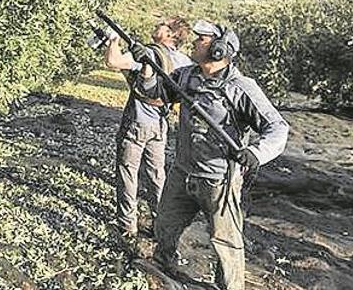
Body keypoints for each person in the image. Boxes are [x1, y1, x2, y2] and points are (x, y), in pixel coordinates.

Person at [132, 20, 289, 290]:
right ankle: (162, 267)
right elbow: (152, 93)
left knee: (225, 242)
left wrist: (255, 152)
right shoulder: (187, 76)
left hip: (218, 180)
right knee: (165, 226)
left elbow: (277, 128)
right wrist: (147, 67)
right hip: (183, 172)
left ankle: (230, 286)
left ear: (219, 50)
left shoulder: (241, 88)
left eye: (201, 40)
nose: (194, 43)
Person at [104, 17, 193, 238]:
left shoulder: (150, 53)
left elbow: (113, 62)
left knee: (128, 172)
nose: (158, 24)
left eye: (163, 24)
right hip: (160, 124)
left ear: (171, 34)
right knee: (156, 175)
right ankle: (160, 223)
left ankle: (127, 226)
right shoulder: (184, 61)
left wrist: (112, 40)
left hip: (137, 121)